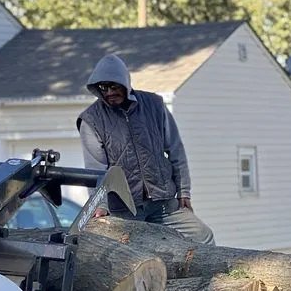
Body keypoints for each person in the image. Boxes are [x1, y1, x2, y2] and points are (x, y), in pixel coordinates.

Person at [77, 53, 215, 244]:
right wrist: (100, 205)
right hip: (124, 211)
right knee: (134, 256)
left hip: (164, 204)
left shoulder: (155, 105)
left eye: (113, 86)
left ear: (124, 82)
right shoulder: (91, 120)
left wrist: (184, 192)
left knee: (203, 236)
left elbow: (176, 150)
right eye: (103, 87)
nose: (108, 92)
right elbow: (96, 171)